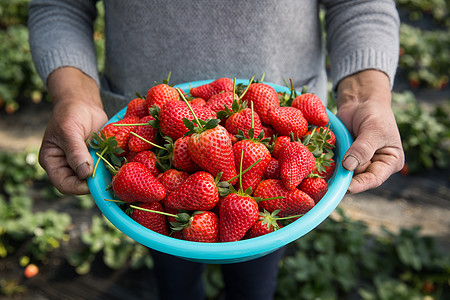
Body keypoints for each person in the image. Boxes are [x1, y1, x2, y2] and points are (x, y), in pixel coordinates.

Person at [28, 0, 405, 299]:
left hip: (279, 114)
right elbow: (58, 3)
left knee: (255, 275)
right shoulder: (164, 175)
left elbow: (361, 3)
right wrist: (74, 96)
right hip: (141, 127)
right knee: (173, 271)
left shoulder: (273, 155)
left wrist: (366, 95)